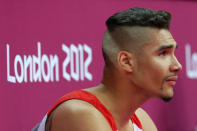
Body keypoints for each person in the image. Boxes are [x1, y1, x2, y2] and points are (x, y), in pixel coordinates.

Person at [32, 7, 182, 131]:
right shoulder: (80, 114)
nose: (177, 65)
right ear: (126, 62)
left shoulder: (141, 119)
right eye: (163, 53)